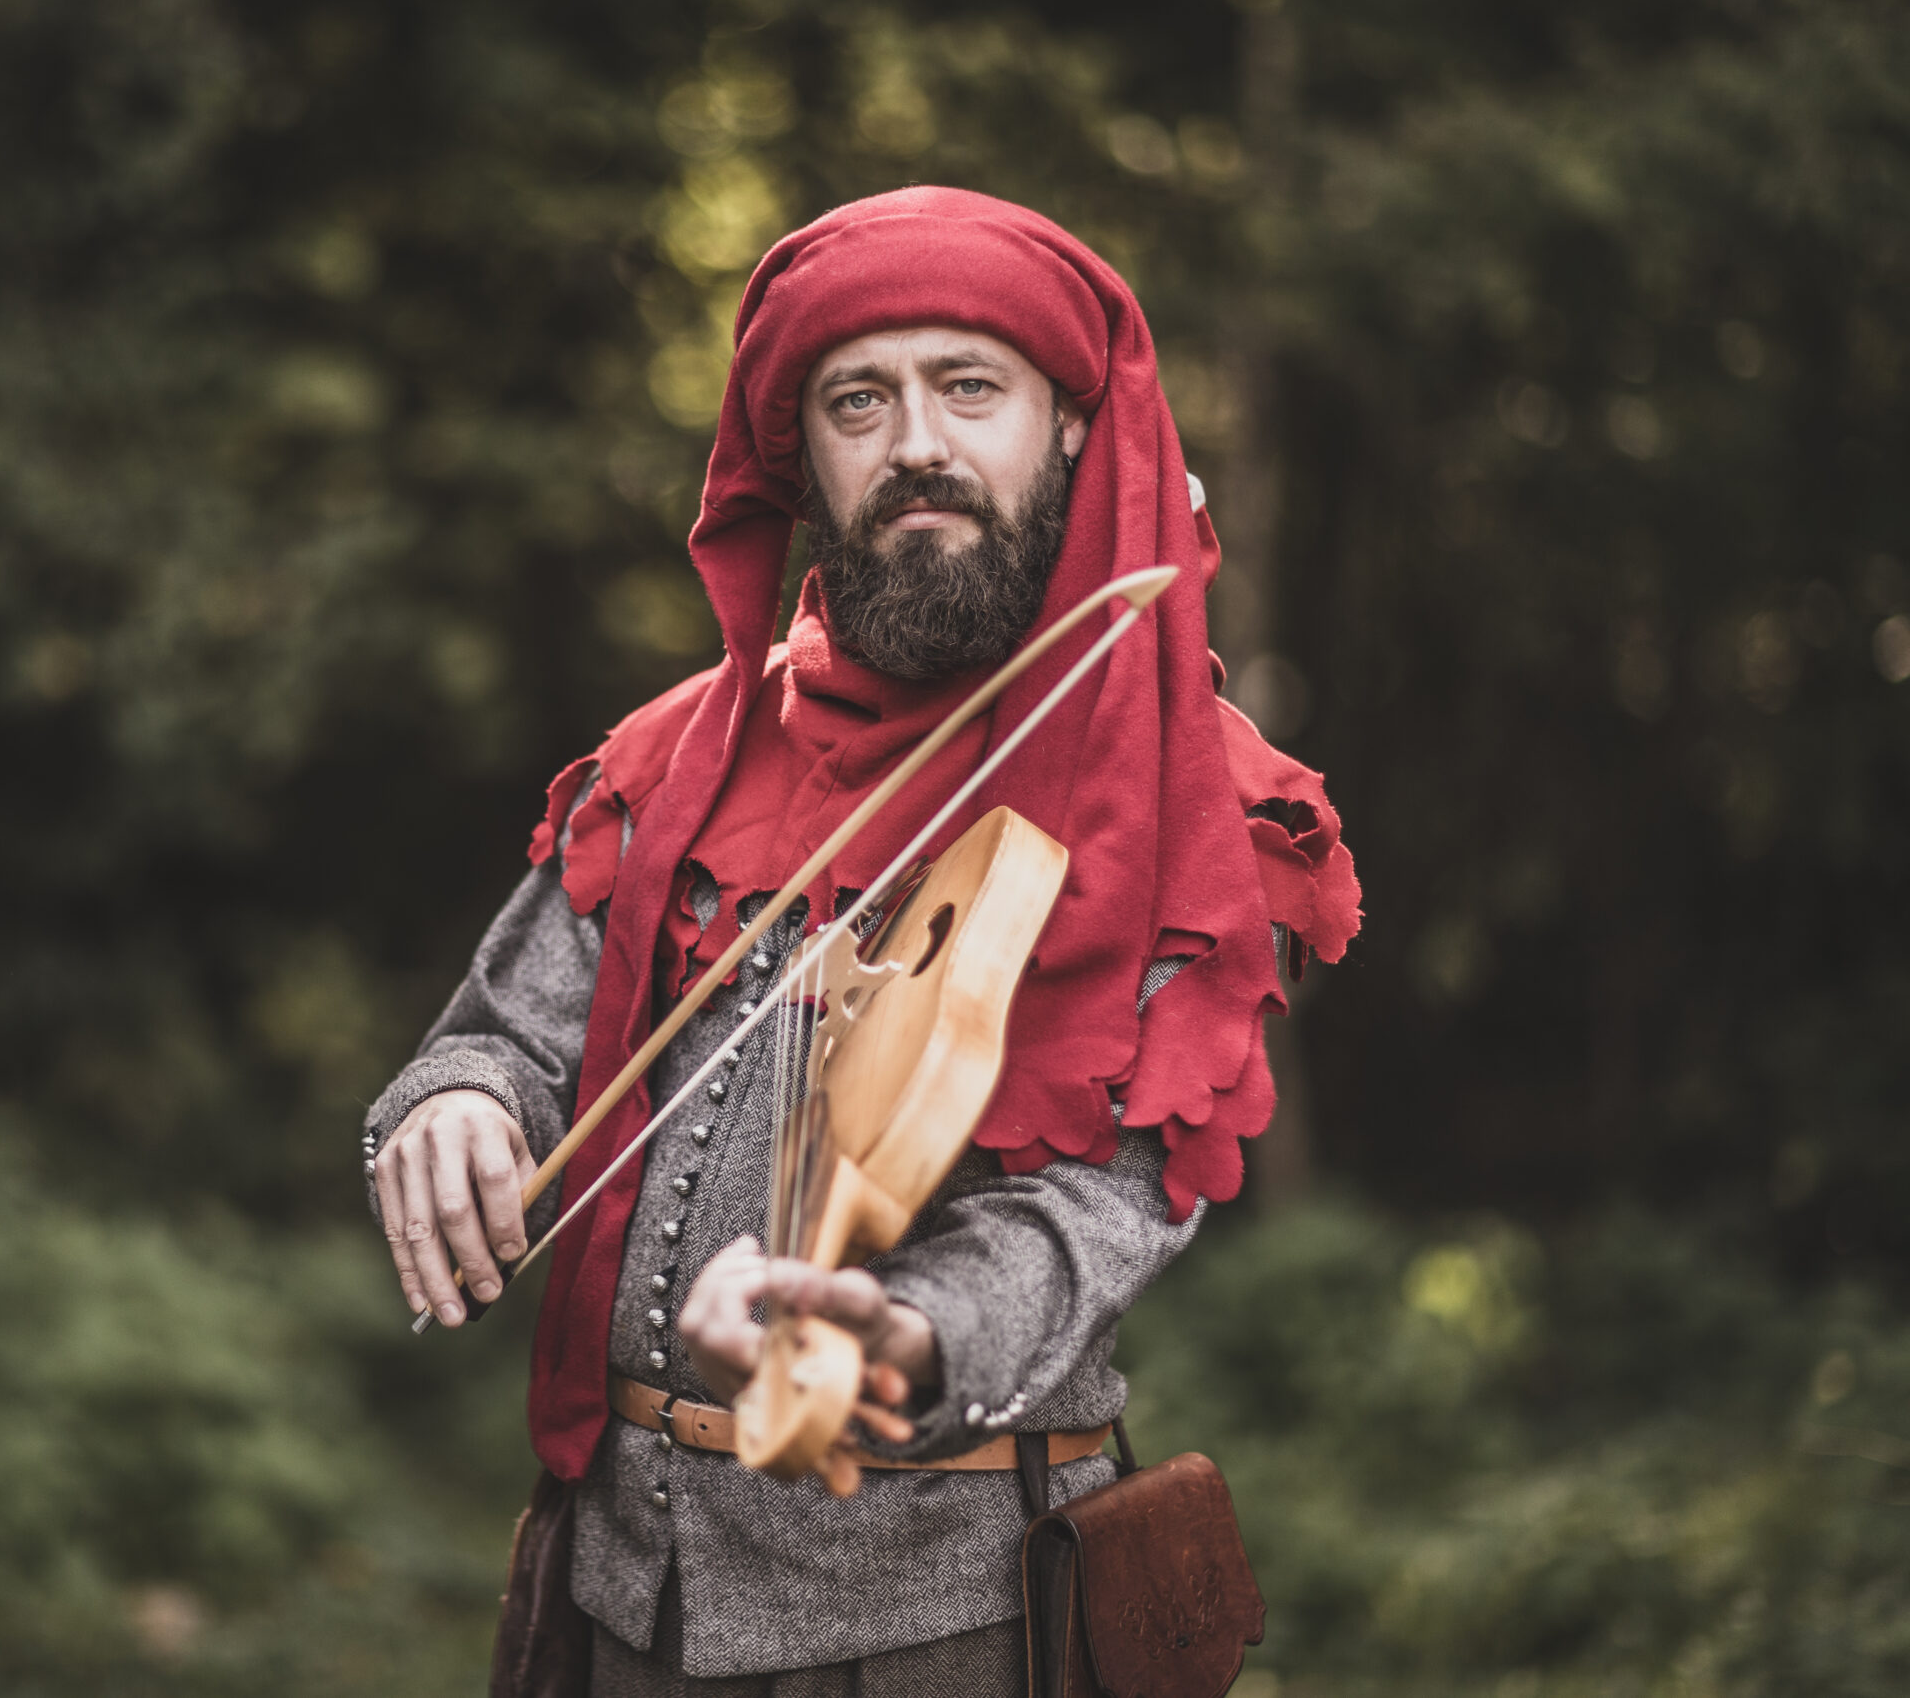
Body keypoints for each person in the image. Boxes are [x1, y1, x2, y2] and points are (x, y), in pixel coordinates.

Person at [363, 187, 1360, 1695]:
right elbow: (507, 1035)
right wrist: (455, 1101)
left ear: (1070, 427)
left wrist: (901, 1329)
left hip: (940, 1633)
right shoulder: (680, 755)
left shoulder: (1201, 806)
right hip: (617, 1595)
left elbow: (1101, 1211)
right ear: (802, 455)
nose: (916, 445)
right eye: (858, 401)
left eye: (970, 388)